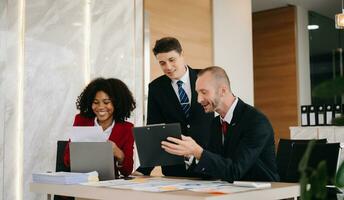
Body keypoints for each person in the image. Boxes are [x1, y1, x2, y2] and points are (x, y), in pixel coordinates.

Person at [161, 66, 280, 182]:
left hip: (263, 193)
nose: (199, 99)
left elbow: (235, 171)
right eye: (197, 93)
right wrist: (190, 155)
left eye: (204, 92)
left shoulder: (256, 122)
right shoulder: (215, 123)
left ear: (223, 91)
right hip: (232, 191)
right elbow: (215, 168)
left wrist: (197, 151)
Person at [136, 37, 214, 177]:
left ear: (182, 54)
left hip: (208, 162)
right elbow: (154, 128)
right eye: (162, 63)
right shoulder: (156, 88)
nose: (168, 67)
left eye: (172, 60)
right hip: (175, 168)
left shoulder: (205, 77)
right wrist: (144, 169)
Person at [64, 77, 136, 177]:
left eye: (106, 102)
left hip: (109, 186)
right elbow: (67, 160)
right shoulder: (81, 120)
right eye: (96, 102)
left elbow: (127, 171)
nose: (100, 107)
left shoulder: (127, 128)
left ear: (117, 103)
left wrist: (118, 153)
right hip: (82, 182)